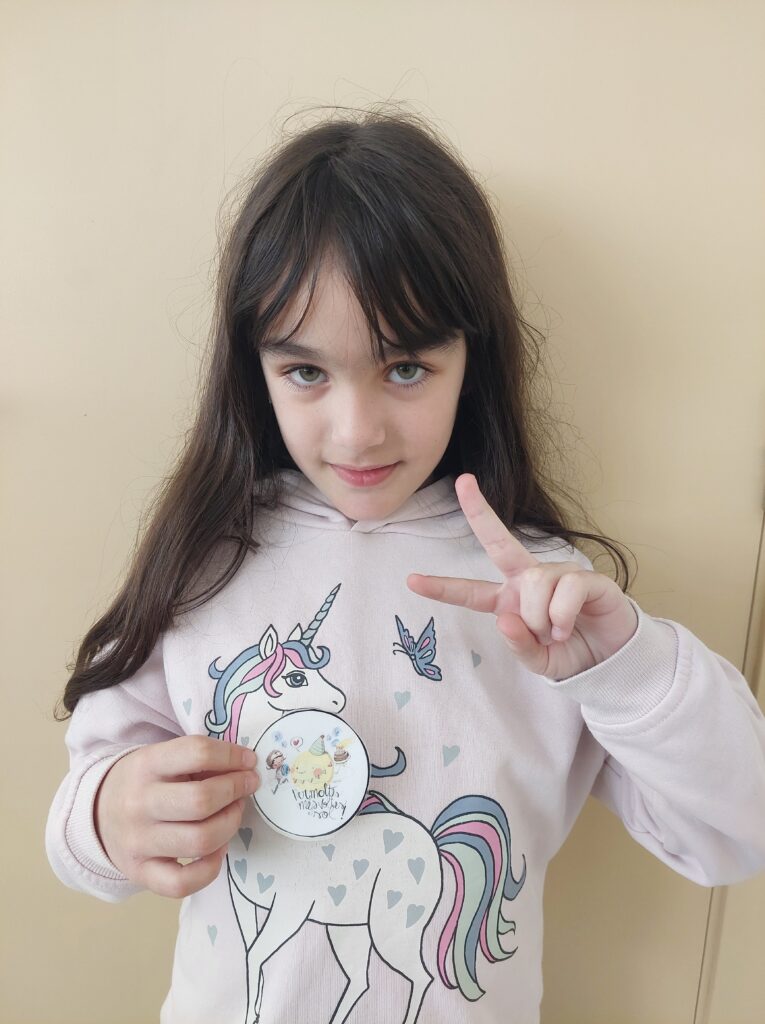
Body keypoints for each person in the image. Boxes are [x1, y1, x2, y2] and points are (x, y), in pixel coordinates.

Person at [45, 108, 765, 1024]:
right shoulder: (204, 562)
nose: (357, 433)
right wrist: (108, 815)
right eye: (306, 372)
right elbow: (87, 817)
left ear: (472, 357)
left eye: (406, 369)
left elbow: (734, 835)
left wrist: (627, 665)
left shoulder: (546, 602)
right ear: (253, 368)